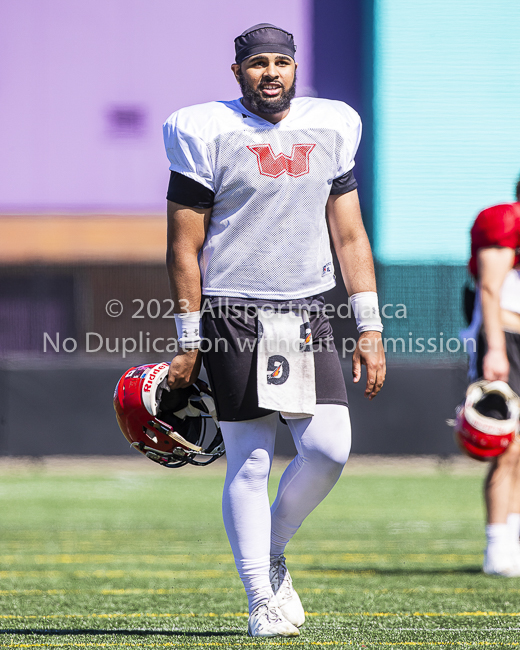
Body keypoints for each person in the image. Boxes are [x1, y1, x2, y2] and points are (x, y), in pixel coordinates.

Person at [162, 24, 386, 636]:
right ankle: (260, 597)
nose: (270, 73)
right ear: (237, 72)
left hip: (308, 311)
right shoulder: (202, 129)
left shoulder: (331, 124)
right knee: (252, 459)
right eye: (257, 63)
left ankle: (274, 549)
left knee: (328, 448)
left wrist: (369, 325)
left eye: (280, 62)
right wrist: (188, 339)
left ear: (294, 68)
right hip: (234, 309)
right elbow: (185, 246)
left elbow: (349, 235)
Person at [465, 178, 520, 576]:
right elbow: (489, 289)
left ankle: (513, 539)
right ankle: (497, 545)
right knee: (509, 447)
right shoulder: (505, 222)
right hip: (508, 339)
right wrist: (497, 349)